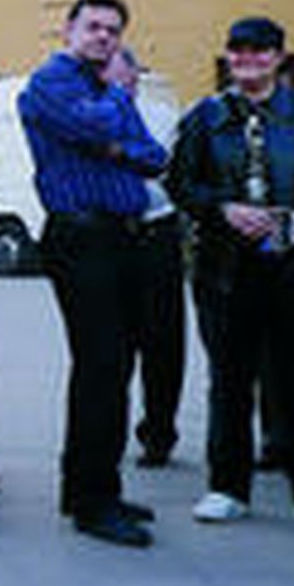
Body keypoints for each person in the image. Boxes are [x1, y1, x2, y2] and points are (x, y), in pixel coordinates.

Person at [166, 16, 294, 532]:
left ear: (279, 58)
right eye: (238, 50)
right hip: (226, 271)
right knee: (230, 381)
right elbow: (181, 184)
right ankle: (227, 488)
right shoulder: (206, 117)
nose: (248, 59)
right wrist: (222, 209)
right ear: (228, 57)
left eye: (260, 51)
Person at [18, 0, 168, 547]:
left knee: (115, 365)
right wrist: (117, 103)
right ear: (69, 30)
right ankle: (92, 503)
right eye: (94, 27)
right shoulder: (50, 81)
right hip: (81, 238)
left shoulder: (102, 86)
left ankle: (91, 486)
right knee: (101, 366)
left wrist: (116, 146)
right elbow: (87, 126)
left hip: (122, 236)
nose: (104, 37)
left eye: (113, 30)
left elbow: (155, 156)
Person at [108, 48, 187, 468]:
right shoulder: (86, 117)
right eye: (110, 78)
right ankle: (108, 435)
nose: (121, 85)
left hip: (157, 232)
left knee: (163, 343)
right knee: (111, 347)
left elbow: (178, 172)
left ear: (137, 76)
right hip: (109, 235)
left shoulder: (164, 117)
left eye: (127, 77)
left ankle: (159, 434)